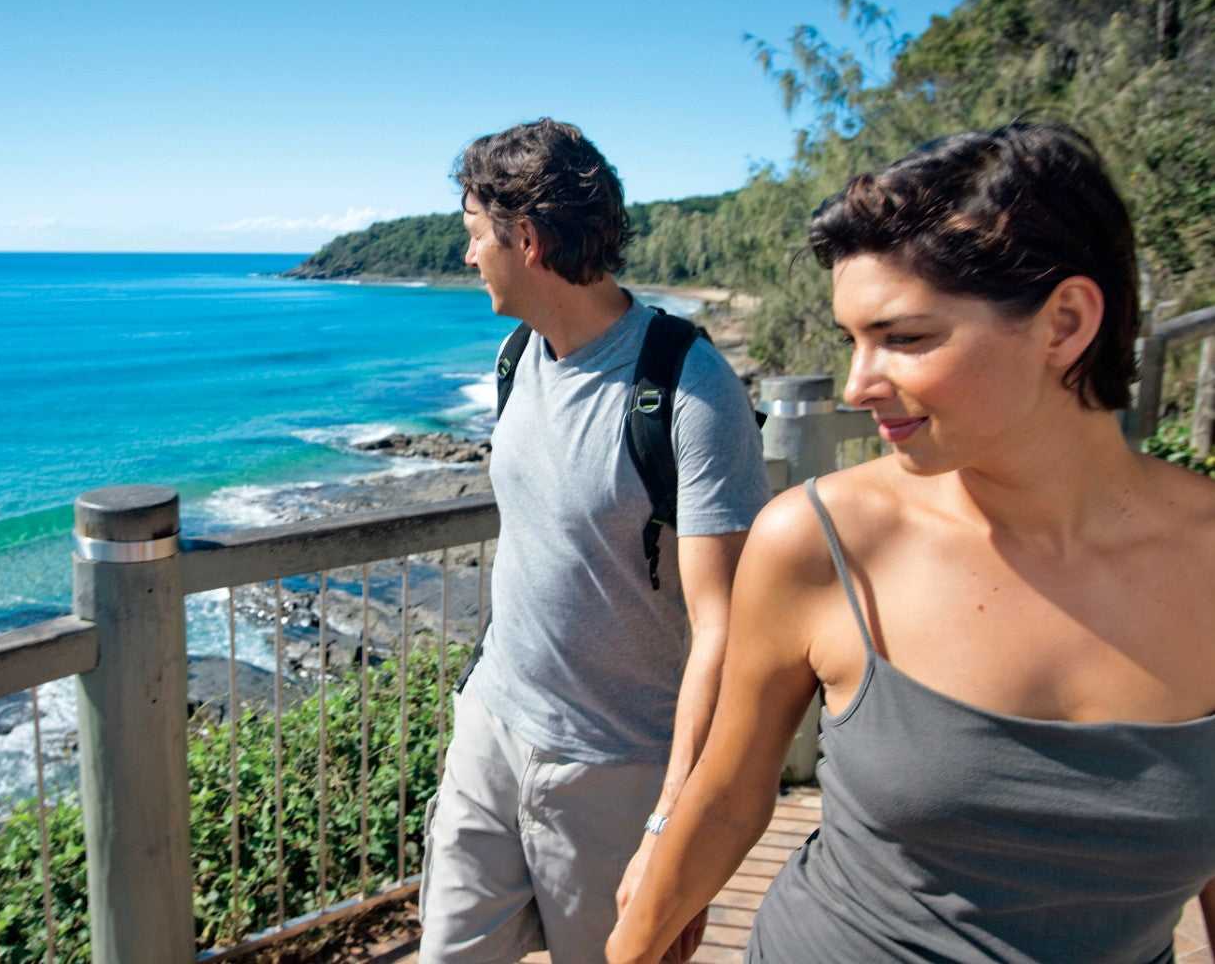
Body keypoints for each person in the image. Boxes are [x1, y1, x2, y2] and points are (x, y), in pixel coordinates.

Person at [606, 120, 1215, 964]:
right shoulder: (819, 542)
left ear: (1065, 322)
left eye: (905, 338)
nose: (859, 385)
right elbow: (729, 797)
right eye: (852, 341)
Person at [419, 118, 769, 963]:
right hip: (493, 728)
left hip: (617, 772)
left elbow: (725, 631)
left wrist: (671, 824)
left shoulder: (689, 390)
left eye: (475, 237)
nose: (469, 258)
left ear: (526, 239)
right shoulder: (516, 357)